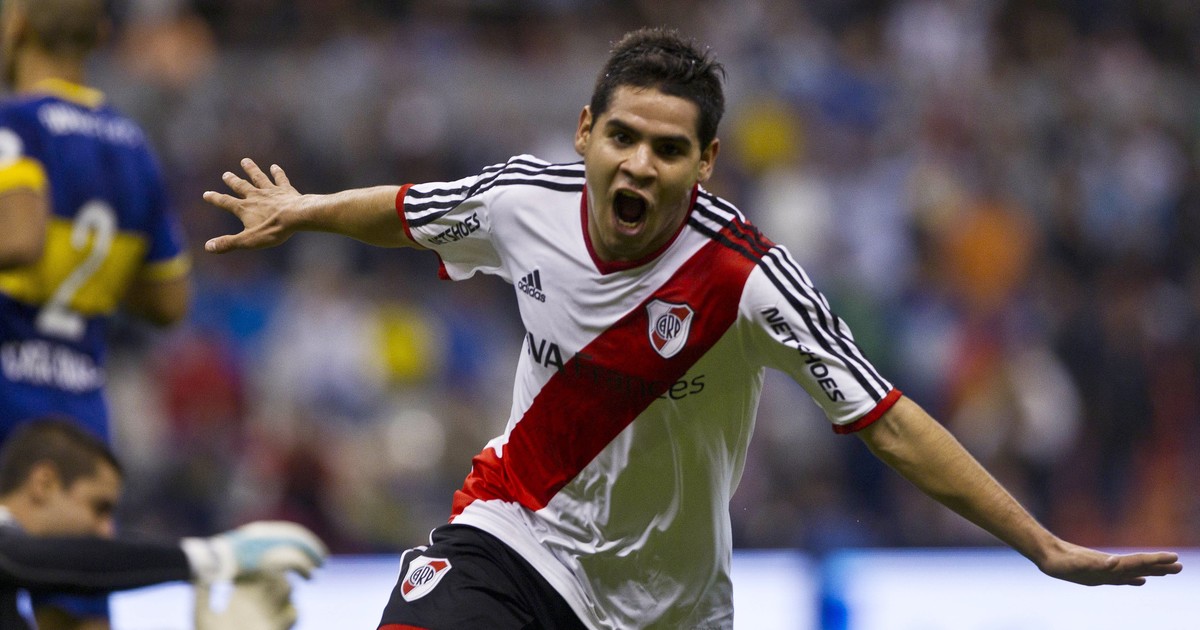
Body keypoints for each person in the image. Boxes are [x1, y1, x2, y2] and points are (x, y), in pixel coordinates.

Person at [202, 27, 1183, 630]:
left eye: (668, 149)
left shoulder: (749, 280)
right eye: (622, 137)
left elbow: (888, 421)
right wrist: (305, 209)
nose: (638, 164)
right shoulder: (519, 201)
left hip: (665, 612)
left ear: (706, 162)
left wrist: (1039, 545)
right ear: (585, 131)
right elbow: (409, 212)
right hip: (514, 536)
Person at [0, 0, 191, 624]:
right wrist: (97, 275)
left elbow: (19, 238)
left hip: (6, 380)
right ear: (101, 35)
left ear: (18, 26)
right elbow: (170, 301)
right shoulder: (134, 147)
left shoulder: (13, 122)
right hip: (79, 404)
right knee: (76, 599)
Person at [0, 417, 329, 630]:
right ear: (43, 484)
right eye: (99, 508)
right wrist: (213, 557)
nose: (107, 531)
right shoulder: (14, 559)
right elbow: (29, 558)